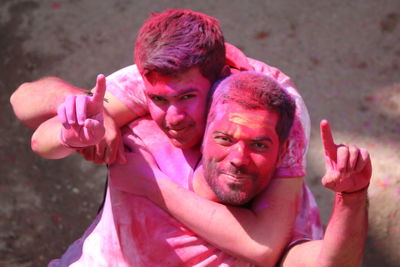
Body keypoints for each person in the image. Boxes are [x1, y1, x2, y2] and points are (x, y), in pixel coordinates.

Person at [11, 9, 321, 265]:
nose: (173, 118)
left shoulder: (276, 107)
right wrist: (80, 116)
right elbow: (26, 109)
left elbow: (264, 248)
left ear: (219, 81)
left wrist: (147, 182)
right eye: (158, 101)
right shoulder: (157, 76)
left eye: (187, 97)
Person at [52, 71, 371, 266]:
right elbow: (29, 104)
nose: (238, 157)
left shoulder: (284, 224)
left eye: (259, 145)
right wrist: (85, 119)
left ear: (283, 151)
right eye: (224, 138)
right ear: (201, 133)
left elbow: (331, 263)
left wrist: (353, 196)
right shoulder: (141, 143)